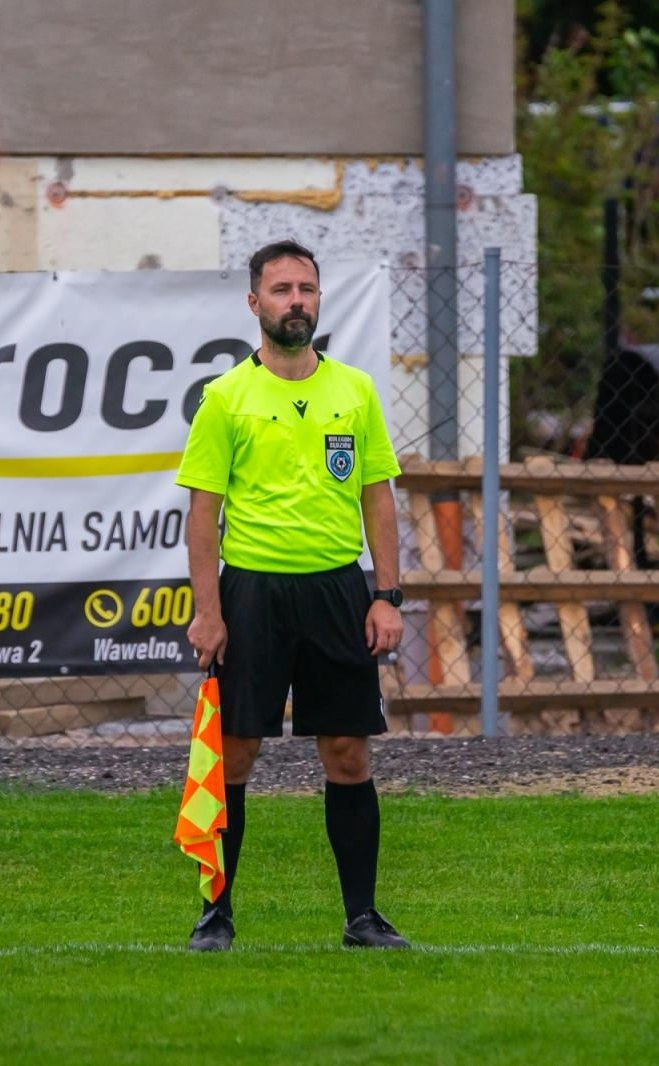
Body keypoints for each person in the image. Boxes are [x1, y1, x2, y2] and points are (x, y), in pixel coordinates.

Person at [177, 239, 411, 951]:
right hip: (253, 594)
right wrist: (209, 612)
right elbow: (201, 515)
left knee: (347, 752)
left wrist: (387, 595)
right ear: (255, 303)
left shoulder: (355, 391)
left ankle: (362, 918)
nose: (295, 301)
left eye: (305, 288)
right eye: (280, 290)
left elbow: (379, 498)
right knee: (237, 752)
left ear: (319, 298)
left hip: (338, 591)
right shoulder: (225, 399)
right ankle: (216, 915)